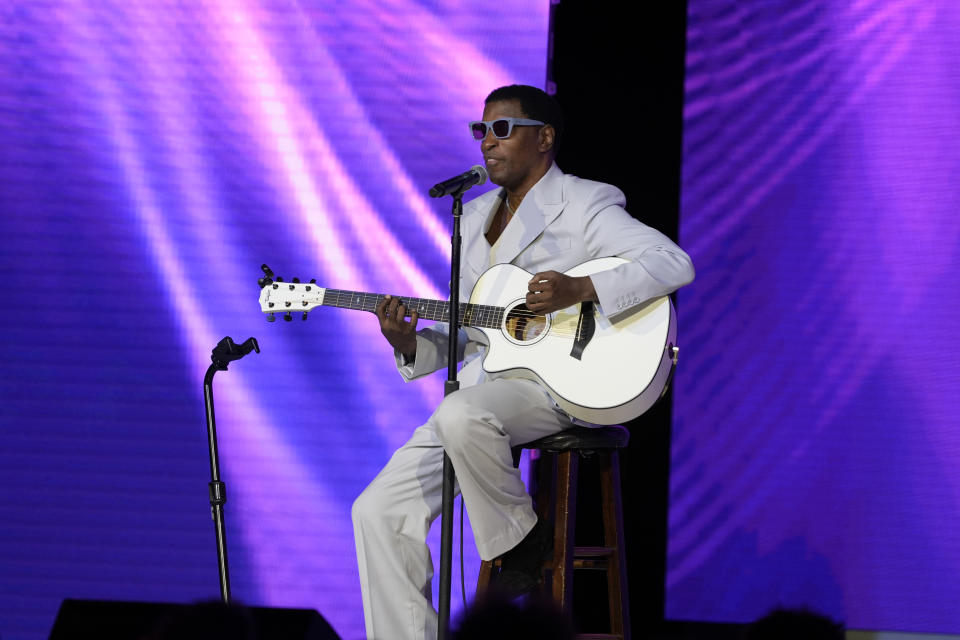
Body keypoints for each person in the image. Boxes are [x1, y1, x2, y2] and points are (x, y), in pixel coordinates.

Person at [351, 84, 694, 640]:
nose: (488, 142)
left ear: (544, 138)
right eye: (481, 131)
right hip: (489, 393)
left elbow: (671, 262)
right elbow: (466, 330)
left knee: (462, 413)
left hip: (564, 383)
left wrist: (579, 285)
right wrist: (408, 343)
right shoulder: (473, 215)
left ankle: (520, 541)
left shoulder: (584, 201)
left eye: (502, 129)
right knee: (377, 513)